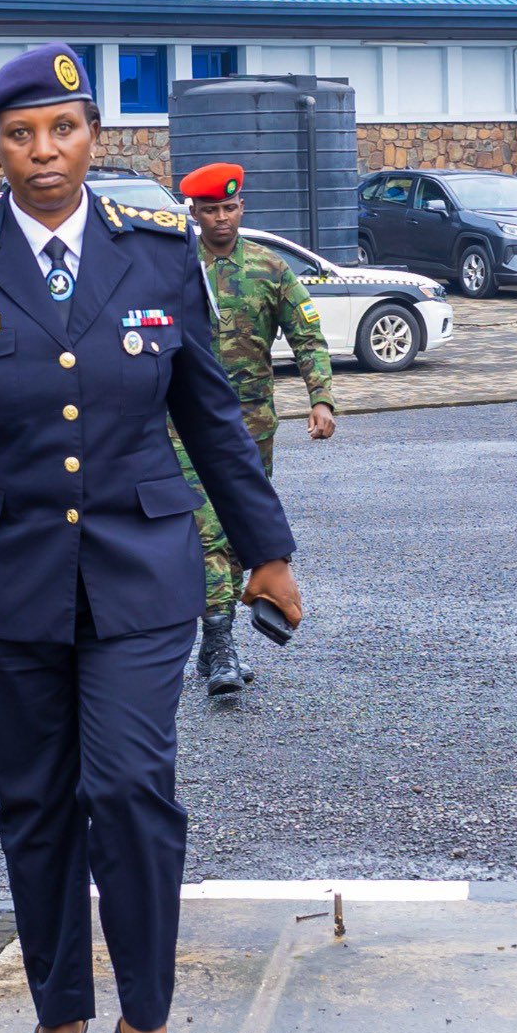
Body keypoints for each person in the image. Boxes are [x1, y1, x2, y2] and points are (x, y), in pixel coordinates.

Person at [0, 44, 299, 1033]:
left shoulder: (155, 252)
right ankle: (58, 1005)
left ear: (95, 137)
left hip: (142, 568)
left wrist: (268, 550)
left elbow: (208, 411)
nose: (43, 152)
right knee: (38, 801)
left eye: (62, 129)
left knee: (131, 789)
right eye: (20, 135)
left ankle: (143, 1017)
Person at [170, 159, 335, 703]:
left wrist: (322, 399)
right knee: (208, 532)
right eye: (210, 209)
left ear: (243, 207)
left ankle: (214, 642)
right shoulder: (172, 268)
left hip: (250, 426)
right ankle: (220, 647)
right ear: (193, 212)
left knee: (241, 534)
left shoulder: (270, 268)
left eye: (230, 207)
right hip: (181, 426)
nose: (221, 218)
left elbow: (308, 337)